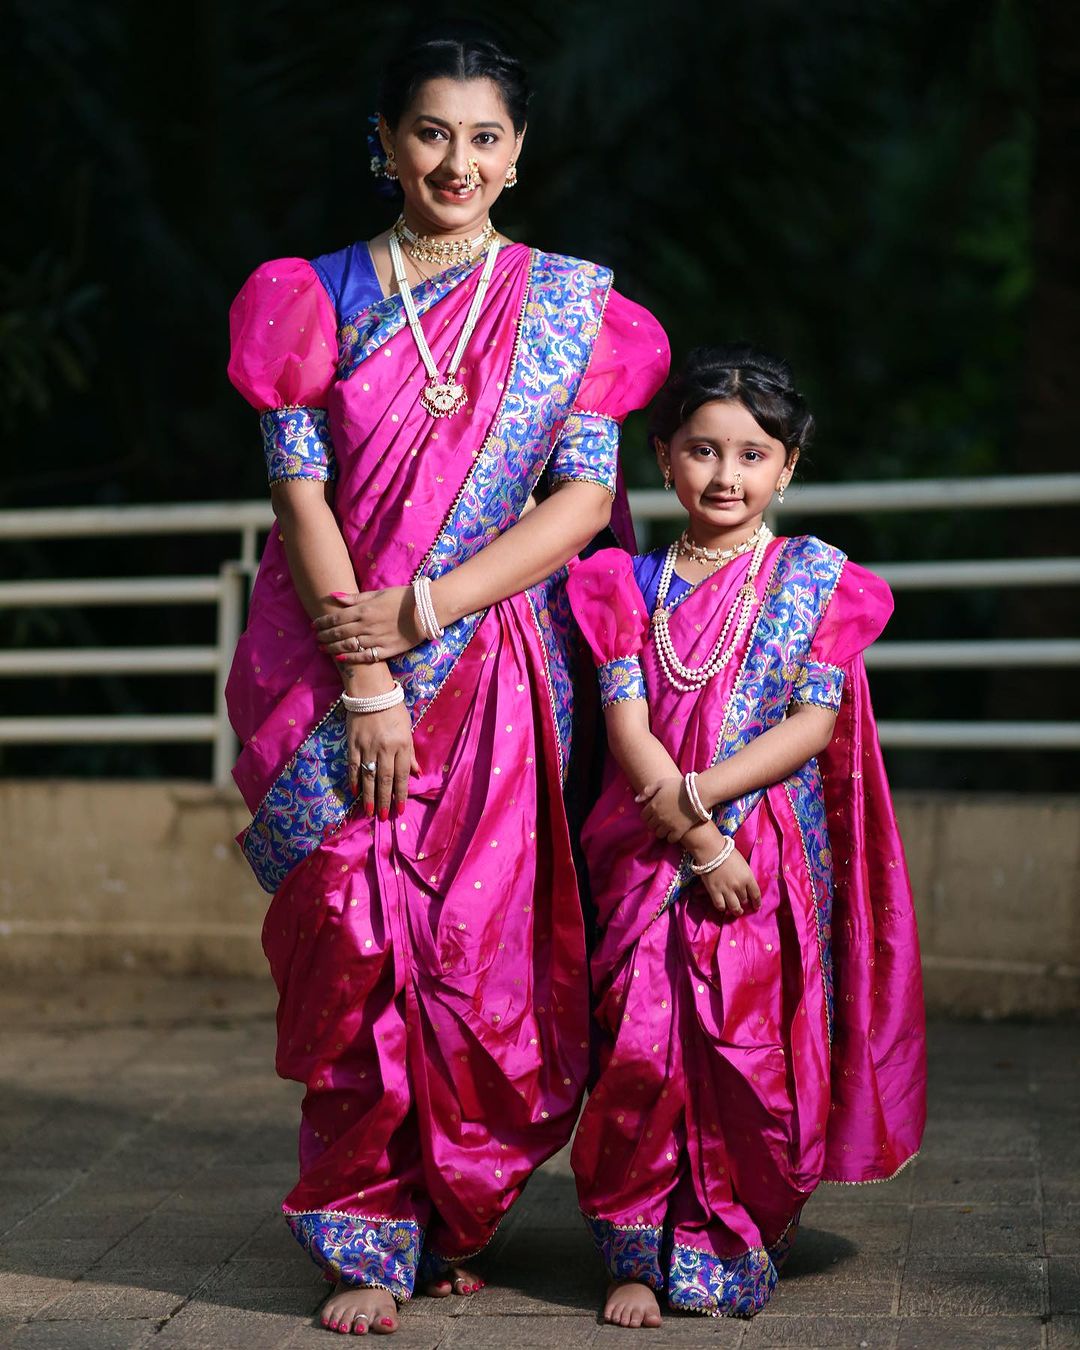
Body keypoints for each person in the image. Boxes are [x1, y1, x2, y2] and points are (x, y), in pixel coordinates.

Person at [224, 25, 669, 1337]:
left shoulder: (575, 308)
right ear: (385, 144)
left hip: (489, 666)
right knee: (360, 933)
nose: (456, 159)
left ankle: (445, 1211)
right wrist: (368, 673)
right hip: (330, 666)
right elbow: (300, 498)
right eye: (431, 132)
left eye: (484, 137)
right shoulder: (308, 298)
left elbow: (585, 497)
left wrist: (430, 604)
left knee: (474, 953)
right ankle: (369, 1221)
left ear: (518, 153)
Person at [565, 345, 926, 1325]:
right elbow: (625, 719)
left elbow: (812, 724)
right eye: (702, 451)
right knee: (643, 1045)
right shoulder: (622, 585)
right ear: (662, 458)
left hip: (767, 855)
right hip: (655, 855)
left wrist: (703, 804)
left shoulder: (817, 583)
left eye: (752, 455)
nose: (726, 476)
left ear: (790, 466)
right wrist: (696, 838)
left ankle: (728, 1232)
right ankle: (634, 1249)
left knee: (747, 1045)